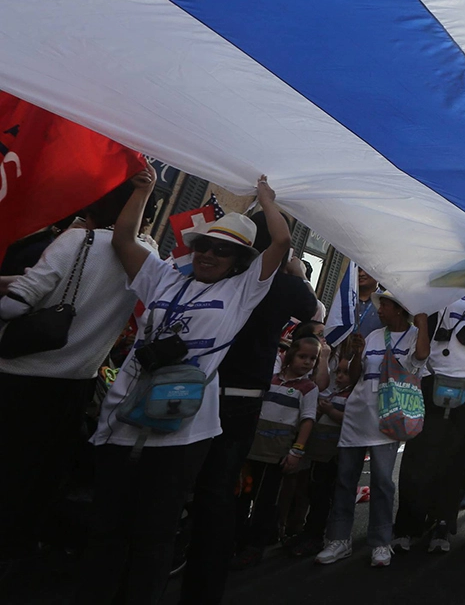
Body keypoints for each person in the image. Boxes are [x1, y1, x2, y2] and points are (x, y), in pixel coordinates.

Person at [76, 170, 289, 604]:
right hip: (122, 420)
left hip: (182, 431)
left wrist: (267, 198)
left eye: (223, 250)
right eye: (204, 245)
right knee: (106, 526)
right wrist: (143, 190)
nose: (210, 254)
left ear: (238, 261)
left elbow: (281, 244)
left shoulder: (241, 292)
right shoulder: (165, 277)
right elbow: (122, 240)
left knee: (154, 533)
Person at [180, 209, 319, 604]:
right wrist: (297, 271)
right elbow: (311, 311)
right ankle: (204, 585)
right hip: (241, 398)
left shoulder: (217, 275)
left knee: (179, 483)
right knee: (220, 492)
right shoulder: (277, 283)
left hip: (192, 386)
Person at [0, 180, 141, 560]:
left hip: (19, 376)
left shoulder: (75, 241)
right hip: (76, 386)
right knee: (37, 482)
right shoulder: (142, 261)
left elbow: (15, 305)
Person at [316, 291, 430, 567]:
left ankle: (380, 542)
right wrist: (356, 354)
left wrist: (423, 315)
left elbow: (423, 355)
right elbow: (355, 377)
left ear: (401, 309)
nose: (380, 309)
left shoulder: (415, 335)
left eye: (386, 305)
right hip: (357, 415)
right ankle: (339, 539)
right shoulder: (375, 337)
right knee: (345, 480)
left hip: (387, 419)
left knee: (382, 482)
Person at [392, 287, 465, 553]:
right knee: (419, 455)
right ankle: (407, 525)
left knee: (457, 459)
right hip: (434, 374)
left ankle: (443, 523)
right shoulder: (446, 282)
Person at [232, 337, 320, 567]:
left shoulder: (308, 388)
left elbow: (308, 420)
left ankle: (255, 547)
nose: (308, 362)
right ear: (289, 356)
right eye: (303, 356)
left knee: (264, 501)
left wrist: (297, 450)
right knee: (242, 497)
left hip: (276, 455)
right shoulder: (270, 380)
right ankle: (237, 541)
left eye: (313, 359)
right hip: (253, 450)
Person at [288, 341, 358, 556]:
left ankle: (316, 535)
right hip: (317, 452)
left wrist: (331, 411)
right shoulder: (333, 393)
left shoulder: (353, 398)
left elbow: (350, 420)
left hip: (332, 455)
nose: (340, 377)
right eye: (339, 372)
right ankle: (305, 532)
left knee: (322, 496)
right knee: (311, 491)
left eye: (346, 373)